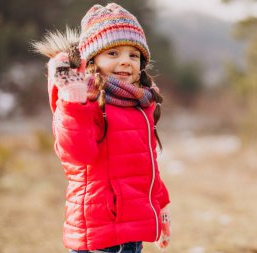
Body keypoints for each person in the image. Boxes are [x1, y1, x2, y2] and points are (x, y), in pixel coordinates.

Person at [32, 3, 171, 253]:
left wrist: (160, 207)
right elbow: (78, 154)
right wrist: (74, 102)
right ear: (92, 59)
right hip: (100, 231)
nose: (126, 61)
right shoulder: (88, 100)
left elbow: (147, 164)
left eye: (133, 55)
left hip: (131, 230)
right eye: (114, 53)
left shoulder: (140, 103)